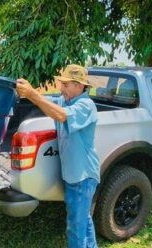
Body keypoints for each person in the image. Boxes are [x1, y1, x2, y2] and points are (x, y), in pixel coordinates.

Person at [16, 64, 100, 248]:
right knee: (83, 219)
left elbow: (61, 115)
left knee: (75, 227)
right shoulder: (66, 100)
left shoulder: (86, 105)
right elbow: (50, 104)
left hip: (83, 176)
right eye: (61, 84)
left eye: (66, 85)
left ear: (79, 86)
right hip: (74, 174)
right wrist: (27, 93)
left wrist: (32, 94)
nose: (61, 88)